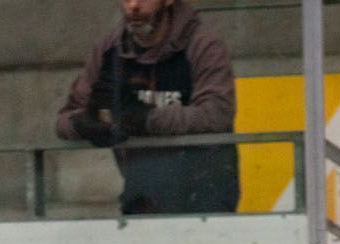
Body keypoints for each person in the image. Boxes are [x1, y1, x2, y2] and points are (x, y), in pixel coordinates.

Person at [54, 0, 238, 217]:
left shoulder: (202, 45)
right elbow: (63, 121)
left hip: (205, 192)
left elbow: (217, 115)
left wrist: (145, 119)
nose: (133, 6)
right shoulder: (111, 50)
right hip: (142, 195)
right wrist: (85, 124)